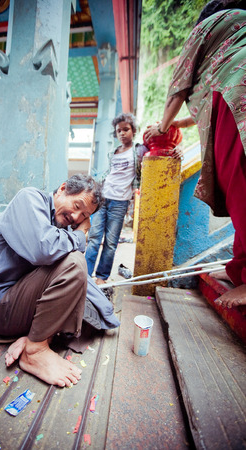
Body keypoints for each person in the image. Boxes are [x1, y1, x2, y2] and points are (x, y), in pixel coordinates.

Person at [0, 174, 120, 388]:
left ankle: (34, 338)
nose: (76, 217)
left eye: (83, 216)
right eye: (77, 205)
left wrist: (105, 310)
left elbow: (79, 281)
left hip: (20, 302)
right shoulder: (29, 199)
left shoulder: (63, 229)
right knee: (74, 263)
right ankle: (35, 351)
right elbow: (43, 250)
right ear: (63, 189)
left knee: (87, 300)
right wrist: (80, 235)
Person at [143, 1, 246, 308]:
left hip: (237, 94)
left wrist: (161, 127)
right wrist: (178, 123)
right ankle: (239, 269)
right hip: (232, 92)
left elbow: (179, 86)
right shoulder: (238, 22)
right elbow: (211, 90)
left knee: (239, 180)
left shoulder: (207, 26)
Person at [85, 112, 181, 285]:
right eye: (119, 131)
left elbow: (159, 146)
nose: (122, 133)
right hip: (103, 199)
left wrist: (178, 148)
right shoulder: (114, 152)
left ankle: (101, 277)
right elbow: (109, 174)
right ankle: (85, 275)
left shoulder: (139, 150)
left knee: (111, 243)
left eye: (126, 129)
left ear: (133, 131)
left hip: (120, 202)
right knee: (94, 238)